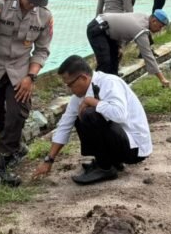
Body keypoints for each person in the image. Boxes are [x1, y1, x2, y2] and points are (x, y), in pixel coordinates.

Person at [0, 0, 54, 187]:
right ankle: (15, 146)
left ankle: (2, 167)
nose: (33, 5)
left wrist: (31, 76)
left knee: (17, 112)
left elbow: (41, 50)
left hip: (20, 69)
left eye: (38, 1)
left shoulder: (44, 16)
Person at [34, 55, 152, 185]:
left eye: (70, 84)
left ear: (83, 78)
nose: (69, 89)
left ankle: (105, 167)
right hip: (120, 142)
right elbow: (64, 126)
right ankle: (111, 161)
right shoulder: (78, 97)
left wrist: (94, 102)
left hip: (135, 148)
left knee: (90, 114)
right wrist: (49, 160)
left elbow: (120, 115)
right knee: (79, 117)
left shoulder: (110, 82)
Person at [86, 10, 171, 87]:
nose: (160, 30)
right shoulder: (140, 28)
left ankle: (111, 88)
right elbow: (148, 56)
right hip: (97, 29)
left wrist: (120, 46)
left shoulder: (144, 17)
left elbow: (123, 29)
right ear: (154, 21)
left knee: (114, 60)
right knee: (105, 62)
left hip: (107, 30)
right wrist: (162, 78)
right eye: (160, 26)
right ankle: (95, 89)